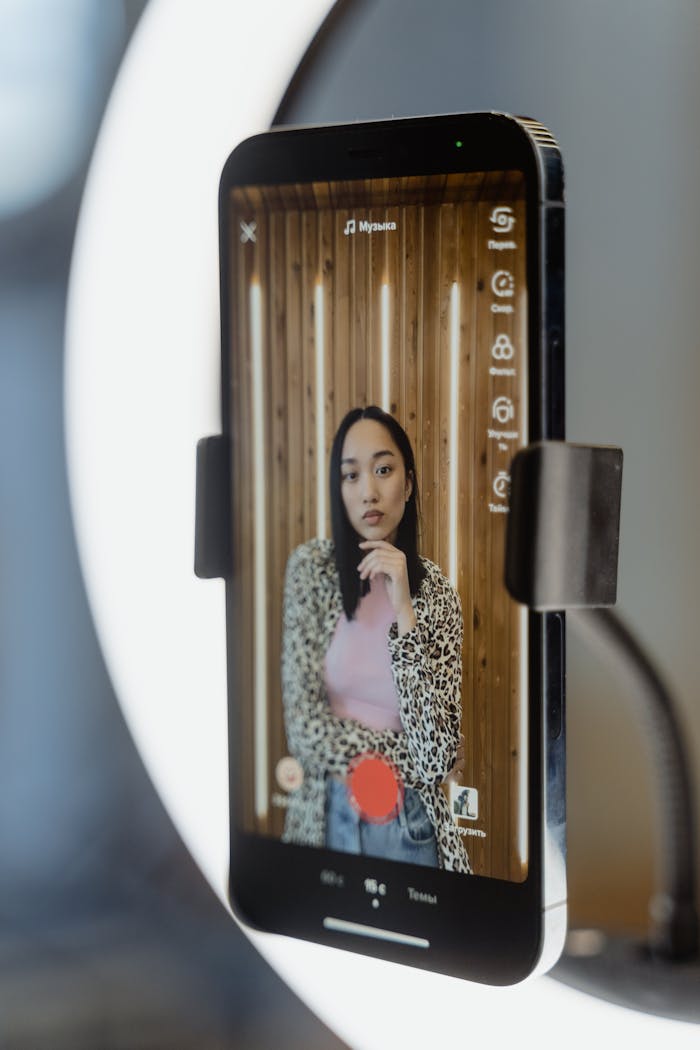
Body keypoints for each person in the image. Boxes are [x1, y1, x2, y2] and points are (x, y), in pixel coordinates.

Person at [281, 406, 471, 872]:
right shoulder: (311, 571)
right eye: (351, 476)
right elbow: (303, 726)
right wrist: (396, 758)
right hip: (326, 815)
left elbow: (437, 757)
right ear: (339, 489)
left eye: (383, 470)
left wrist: (405, 611)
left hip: (408, 827)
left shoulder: (437, 594)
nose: (368, 490)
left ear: (408, 484)